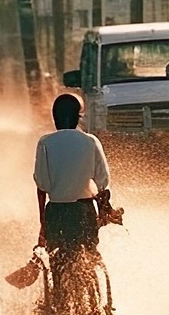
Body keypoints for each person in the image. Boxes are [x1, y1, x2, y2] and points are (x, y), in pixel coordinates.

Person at [34, 93, 111, 275]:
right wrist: (105, 209)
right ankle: (94, 297)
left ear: (54, 118)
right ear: (78, 118)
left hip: (56, 212)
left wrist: (43, 222)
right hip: (83, 212)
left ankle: (58, 297)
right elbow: (102, 181)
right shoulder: (90, 141)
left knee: (57, 259)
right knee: (89, 254)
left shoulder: (45, 142)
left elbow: (42, 184)